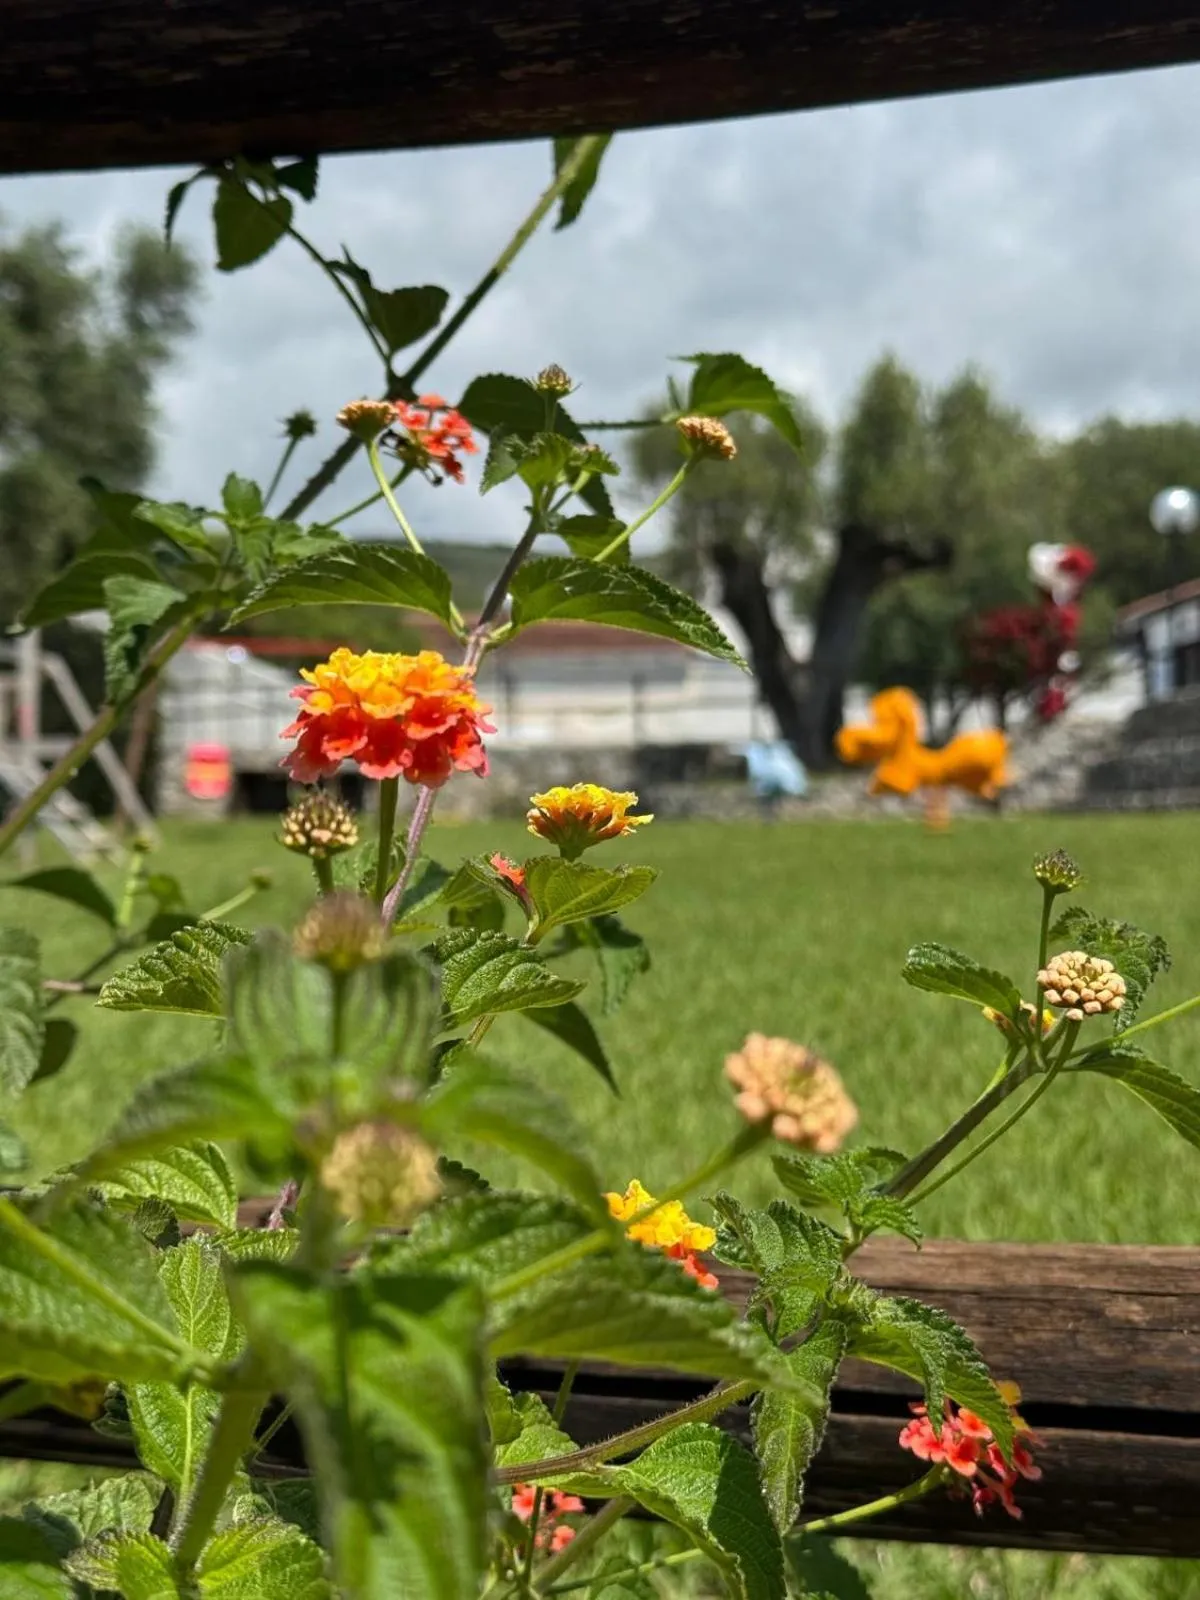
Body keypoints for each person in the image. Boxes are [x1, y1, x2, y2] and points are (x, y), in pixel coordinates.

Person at [742, 740, 807, 817]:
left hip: (771, 785)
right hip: (775, 785)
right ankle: (772, 813)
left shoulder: (760, 757)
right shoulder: (781, 756)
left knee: (768, 799)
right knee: (771, 799)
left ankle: (770, 813)